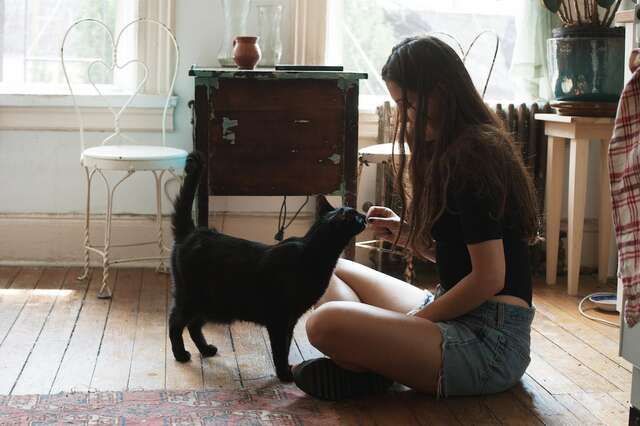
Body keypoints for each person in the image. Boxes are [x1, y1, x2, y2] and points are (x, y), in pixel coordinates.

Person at [292, 36, 538, 401]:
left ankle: (369, 361)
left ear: (439, 92)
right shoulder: (455, 147)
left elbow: (489, 277)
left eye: (407, 103)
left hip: (488, 343)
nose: (404, 115)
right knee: (327, 267)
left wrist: (406, 326)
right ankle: (374, 362)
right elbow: (460, 260)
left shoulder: (475, 154)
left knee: (323, 323)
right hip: (458, 313)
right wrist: (404, 234)